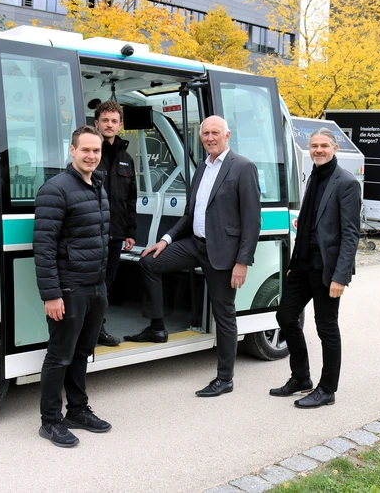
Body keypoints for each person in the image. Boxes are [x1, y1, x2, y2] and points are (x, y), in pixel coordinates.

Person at [124, 115, 261, 397]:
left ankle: (225, 378)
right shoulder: (202, 167)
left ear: (227, 136)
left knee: (224, 314)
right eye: (205, 133)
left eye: (215, 133)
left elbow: (252, 220)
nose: (210, 138)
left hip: (223, 253)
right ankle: (157, 327)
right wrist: (165, 239)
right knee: (149, 262)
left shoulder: (243, 167)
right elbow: (190, 214)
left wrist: (242, 262)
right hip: (195, 244)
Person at [33, 125, 112, 448]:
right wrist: (51, 294)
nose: (91, 156)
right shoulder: (55, 189)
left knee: (82, 353)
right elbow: (44, 246)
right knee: (59, 355)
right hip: (69, 288)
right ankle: (50, 421)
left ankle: (77, 410)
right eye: (86, 150)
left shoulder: (98, 185)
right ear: (72, 150)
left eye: (96, 151)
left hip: (95, 285)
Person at [270, 127, 360, 408]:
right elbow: (312, 221)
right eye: (314, 146)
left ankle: (327, 389)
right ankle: (301, 378)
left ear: (335, 148)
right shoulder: (314, 177)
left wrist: (341, 276)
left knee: (326, 329)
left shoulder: (346, 182)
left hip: (327, 270)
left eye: (323, 145)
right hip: (303, 266)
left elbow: (350, 234)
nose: (318, 150)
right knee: (285, 317)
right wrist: (294, 263)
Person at [94, 100, 137, 347]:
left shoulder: (126, 158)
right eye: (105, 120)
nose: (109, 125)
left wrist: (131, 231)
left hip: (116, 233)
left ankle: (99, 328)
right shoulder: (91, 152)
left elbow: (131, 197)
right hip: (92, 233)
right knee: (92, 283)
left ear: (120, 125)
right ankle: (88, 330)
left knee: (107, 284)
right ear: (96, 123)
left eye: (114, 121)